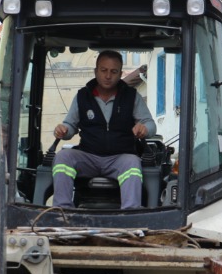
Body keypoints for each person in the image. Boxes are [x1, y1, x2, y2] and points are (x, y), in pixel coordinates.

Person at [51, 50, 156, 209]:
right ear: (96, 71)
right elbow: (70, 125)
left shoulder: (132, 96)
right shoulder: (82, 96)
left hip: (120, 158)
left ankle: (131, 212)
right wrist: (63, 130)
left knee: (133, 162)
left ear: (120, 73)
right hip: (88, 157)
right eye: (103, 70)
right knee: (63, 157)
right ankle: (62, 210)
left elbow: (150, 124)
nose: (108, 76)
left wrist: (144, 128)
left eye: (113, 71)